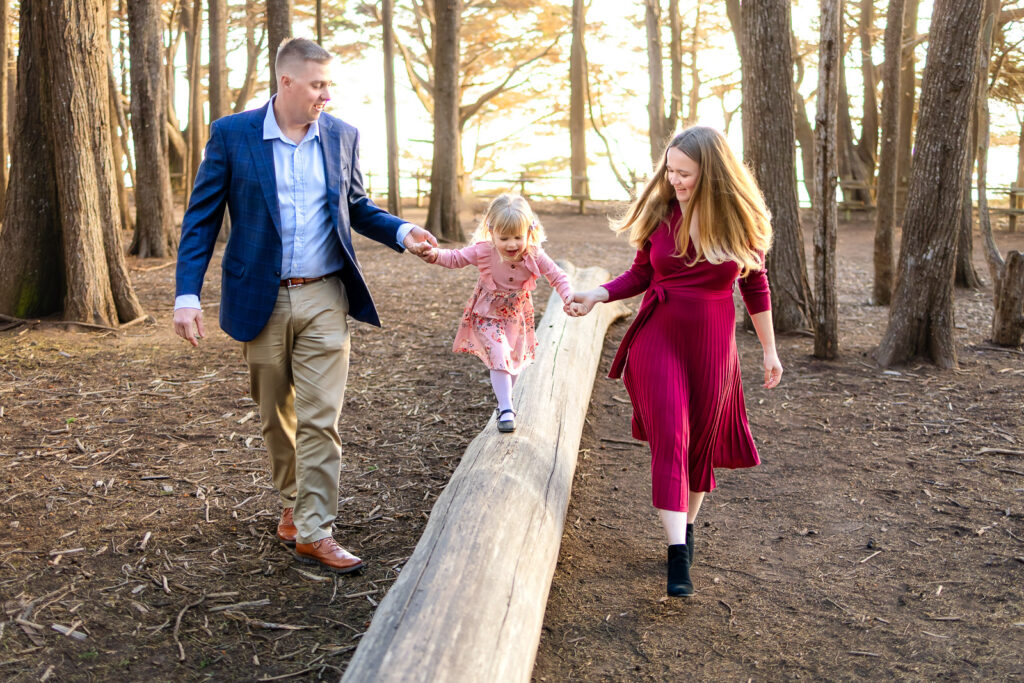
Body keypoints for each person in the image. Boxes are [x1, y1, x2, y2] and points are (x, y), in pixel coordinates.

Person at [172, 38, 436, 574]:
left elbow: (356, 206)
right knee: (276, 414)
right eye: (318, 85)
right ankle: (294, 502)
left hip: (324, 294)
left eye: (330, 84)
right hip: (258, 296)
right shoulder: (232, 135)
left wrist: (402, 231)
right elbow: (201, 220)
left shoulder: (341, 135)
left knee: (321, 417)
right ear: (287, 82)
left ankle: (315, 529)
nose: (327, 95)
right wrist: (186, 294)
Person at [567, 126, 783, 597]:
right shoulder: (662, 214)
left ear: (713, 173)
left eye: (685, 173)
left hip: (712, 342)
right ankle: (676, 555)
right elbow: (640, 273)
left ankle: (685, 527)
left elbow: (755, 287)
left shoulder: (741, 221)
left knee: (700, 441)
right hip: (658, 334)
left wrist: (769, 349)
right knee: (672, 435)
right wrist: (598, 295)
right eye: (670, 170)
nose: (675, 180)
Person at [418, 194, 573, 433]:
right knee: (499, 354)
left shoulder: (534, 254)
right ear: (491, 232)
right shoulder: (484, 251)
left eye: (518, 237)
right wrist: (435, 255)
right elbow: (457, 258)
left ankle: (504, 402)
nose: (512, 245)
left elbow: (557, 276)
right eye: (504, 238)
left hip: (516, 316)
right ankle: (507, 408)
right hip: (487, 314)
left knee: (513, 363)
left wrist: (568, 297)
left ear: (529, 232)